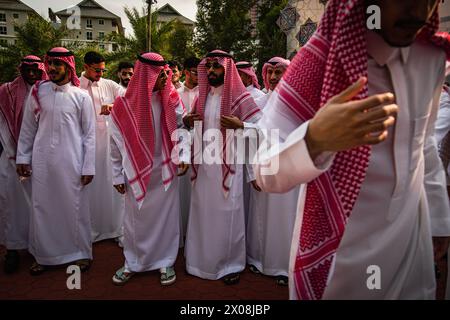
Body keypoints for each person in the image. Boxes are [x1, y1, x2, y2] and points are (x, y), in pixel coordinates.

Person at [253, 0, 450, 299]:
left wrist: (438, 220)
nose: (419, 11)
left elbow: (423, 146)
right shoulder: (317, 63)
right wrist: (316, 139)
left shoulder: (431, 57)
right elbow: (263, 170)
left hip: (413, 245)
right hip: (341, 260)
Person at [110, 52, 189, 286]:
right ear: (146, 76)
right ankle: (133, 262)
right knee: (135, 220)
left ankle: (165, 261)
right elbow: (115, 144)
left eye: (166, 71)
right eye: (159, 73)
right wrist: (116, 173)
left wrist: (183, 154)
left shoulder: (172, 98)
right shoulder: (124, 104)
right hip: (135, 170)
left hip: (165, 168)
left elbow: (182, 128)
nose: (165, 77)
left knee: (166, 218)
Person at [183, 50, 262, 285]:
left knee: (227, 214)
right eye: (208, 68)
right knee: (203, 212)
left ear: (227, 70)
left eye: (216, 67)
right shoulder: (202, 97)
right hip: (204, 165)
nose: (211, 72)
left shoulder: (241, 98)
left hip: (230, 167)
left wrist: (242, 124)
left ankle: (230, 265)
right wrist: (187, 121)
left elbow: (262, 130)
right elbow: (190, 125)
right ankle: (199, 262)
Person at [16, 47, 96, 275]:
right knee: (42, 207)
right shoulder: (37, 93)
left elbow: (89, 134)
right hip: (42, 162)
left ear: (68, 67)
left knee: (75, 208)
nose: (51, 68)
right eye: (50, 64)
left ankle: (80, 253)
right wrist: (23, 156)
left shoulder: (81, 96)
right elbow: (28, 128)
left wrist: (88, 165)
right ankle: (44, 255)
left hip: (73, 162)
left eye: (57, 64)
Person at [245, 57, 299, 286]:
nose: (275, 77)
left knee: (286, 218)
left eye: (279, 72)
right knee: (261, 217)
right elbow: (251, 140)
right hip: (263, 170)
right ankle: (259, 261)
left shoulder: (298, 101)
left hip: (290, 171)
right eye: (271, 73)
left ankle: (284, 267)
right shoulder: (260, 101)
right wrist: (251, 173)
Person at [0, 55, 47, 273]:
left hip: (42, 160)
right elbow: (4, 127)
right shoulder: (6, 91)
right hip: (12, 159)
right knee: (13, 206)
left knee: (40, 206)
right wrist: (17, 157)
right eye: (27, 69)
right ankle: (12, 249)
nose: (31, 74)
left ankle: (39, 247)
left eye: (35, 70)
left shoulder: (47, 92)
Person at [80, 51, 125, 243]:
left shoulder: (110, 84)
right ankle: (89, 230)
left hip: (109, 143)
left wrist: (113, 105)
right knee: (89, 186)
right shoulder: (76, 86)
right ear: (86, 67)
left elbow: (129, 99)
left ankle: (115, 228)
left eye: (102, 70)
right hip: (84, 144)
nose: (100, 73)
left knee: (111, 183)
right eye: (97, 70)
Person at [177, 56, 200, 247]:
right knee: (182, 192)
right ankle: (181, 232)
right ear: (185, 72)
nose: (199, 76)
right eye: (195, 72)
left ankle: (196, 234)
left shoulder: (208, 94)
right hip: (180, 148)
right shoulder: (174, 94)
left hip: (204, 149)